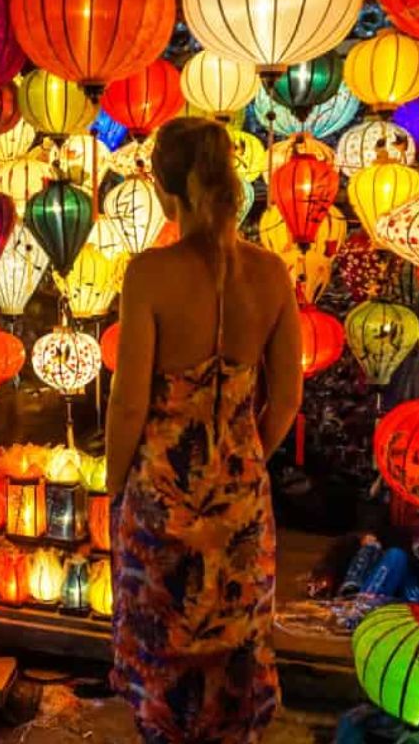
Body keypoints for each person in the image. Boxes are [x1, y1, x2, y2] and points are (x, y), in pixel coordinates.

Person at [106, 117, 303, 743]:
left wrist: (115, 486)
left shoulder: (148, 274)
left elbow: (128, 405)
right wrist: (245, 460)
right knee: (234, 646)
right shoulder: (271, 273)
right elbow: (287, 399)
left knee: (161, 647)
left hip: (161, 495)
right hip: (240, 498)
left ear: (166, 189)